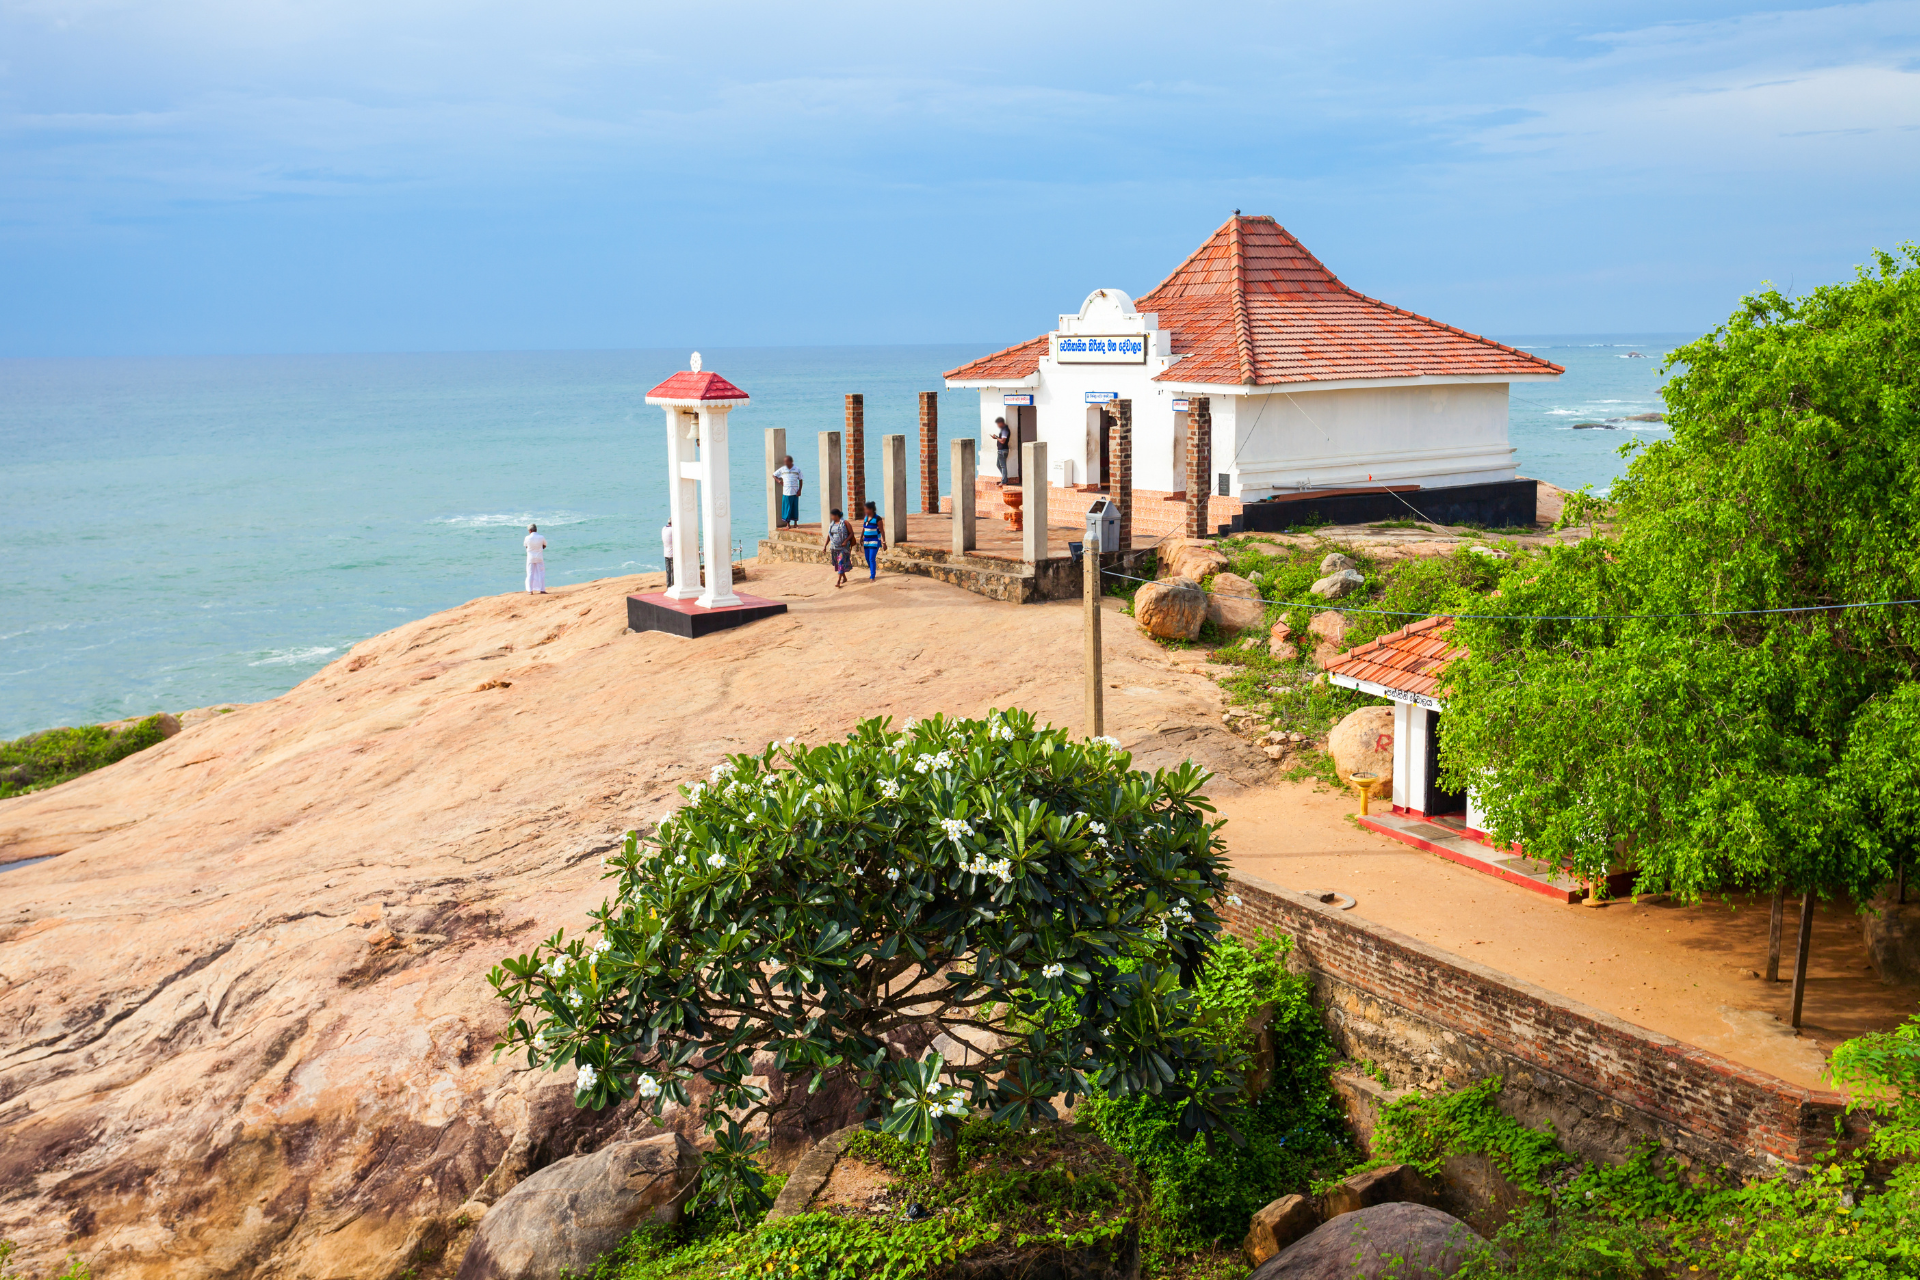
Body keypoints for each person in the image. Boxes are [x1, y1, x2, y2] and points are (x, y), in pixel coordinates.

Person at [823, 507, 853, 588]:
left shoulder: (845, 523)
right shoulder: (831, 524)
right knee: (838, 564)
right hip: (834, 547)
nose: (831, 517)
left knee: (840, 563)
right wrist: (825, 546)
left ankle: (838, 581)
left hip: (843, 548)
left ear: (836, 515)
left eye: (832, 516)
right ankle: (844, 578)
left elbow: (851, 533)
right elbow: (829, 536)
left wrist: (846, 541)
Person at [773, 456, 804, 528]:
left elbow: (801, 479)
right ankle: (788, 524)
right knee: (787, 508)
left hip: (795, 492)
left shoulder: (797, 469)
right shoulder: (782, 469)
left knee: (795, 507)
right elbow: (774, 475)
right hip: (786, 492)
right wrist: (779, 481)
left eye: (786, 461)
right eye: (784, 462)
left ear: (791, 461)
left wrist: (800, 490)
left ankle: (795, 523)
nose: (785, 463)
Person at [859, 500, 886, 581]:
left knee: (871, 558)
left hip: (874, 540)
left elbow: (882, 531)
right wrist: (861, 537)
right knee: (867, 558)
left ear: (871, 509)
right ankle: (872, 570)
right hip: (866, 540)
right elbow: (864, 528)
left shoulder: (878, 519)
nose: (865, 511)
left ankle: (872, 576)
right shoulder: (866, 518)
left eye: (866, 509)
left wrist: (884, 542)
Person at [524, 523, 547, 594]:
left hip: (530, 558)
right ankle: (542, 589)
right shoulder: (541, 537)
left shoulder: (527, 538)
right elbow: (544, 545)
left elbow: (526, 546)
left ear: (530, 531)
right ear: (536, 529)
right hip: (539, 557)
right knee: (541, 573)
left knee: (530, 573)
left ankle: (530, 590)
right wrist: (539, 549)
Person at [992, 417, 1011, 486]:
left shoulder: (1005, 430)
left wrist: (996, 438)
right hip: (1001, 450)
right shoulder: (1004, 430)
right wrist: (996, 437)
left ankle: (1004, 481)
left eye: (998, 424)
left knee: (1003, 466)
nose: (998, 425)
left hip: (1002, 450)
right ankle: (1004, 478)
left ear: (1001, 423)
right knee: (998, 465)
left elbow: (1003, 441)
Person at [661, 520, 674, 587]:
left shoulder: (664, 528)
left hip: (666, 553)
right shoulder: (673, 530)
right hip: (672, 554)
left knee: (668, 571)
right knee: (673, 571)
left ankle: (668, 585)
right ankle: (672, 585)